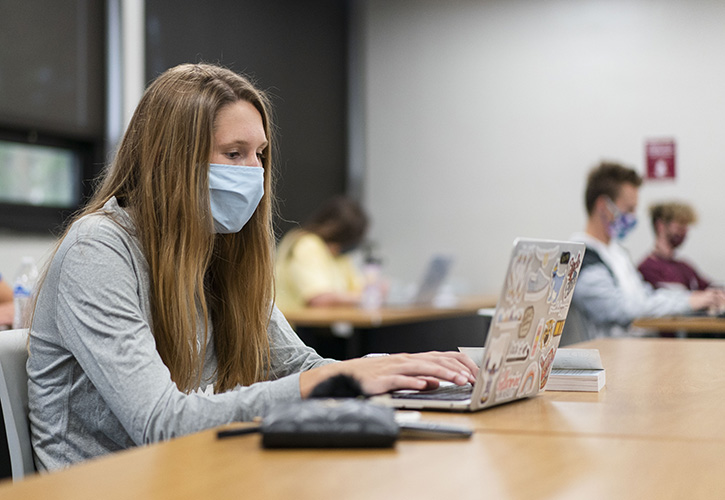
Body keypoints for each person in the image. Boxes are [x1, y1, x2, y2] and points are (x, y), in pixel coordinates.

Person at [27, 63, 478, 471]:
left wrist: (400, 375)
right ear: (170, 160)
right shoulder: (99, 249)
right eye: (234, 153)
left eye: (259, 154)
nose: (255, 172)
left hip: (194, 471)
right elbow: (161, 422)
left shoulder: (216, 247)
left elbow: (296, 365)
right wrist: (331, 380)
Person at [562, 161, 725, 342]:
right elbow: (618, 309)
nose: (632, 217)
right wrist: (689, 302)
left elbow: (645, 295)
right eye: (629, 209)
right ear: (603, 206)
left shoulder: (617, 253)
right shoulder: (582, 257)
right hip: (612, 359)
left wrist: (695, 298)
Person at [274, 196, 368, 311]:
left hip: (321, 324)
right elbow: (318, 299)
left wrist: (369, 291)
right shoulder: (306, 244)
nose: (337, 248)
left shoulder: (339, 255)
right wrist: (365, 297)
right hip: (295, 324)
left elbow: (359, 288)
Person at [638, 202, 713, 291]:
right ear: (660, 226)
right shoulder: (648, 269)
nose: (684, 232)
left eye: (686, 228)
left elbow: (709, 288)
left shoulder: (685, 267)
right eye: (680, 227)